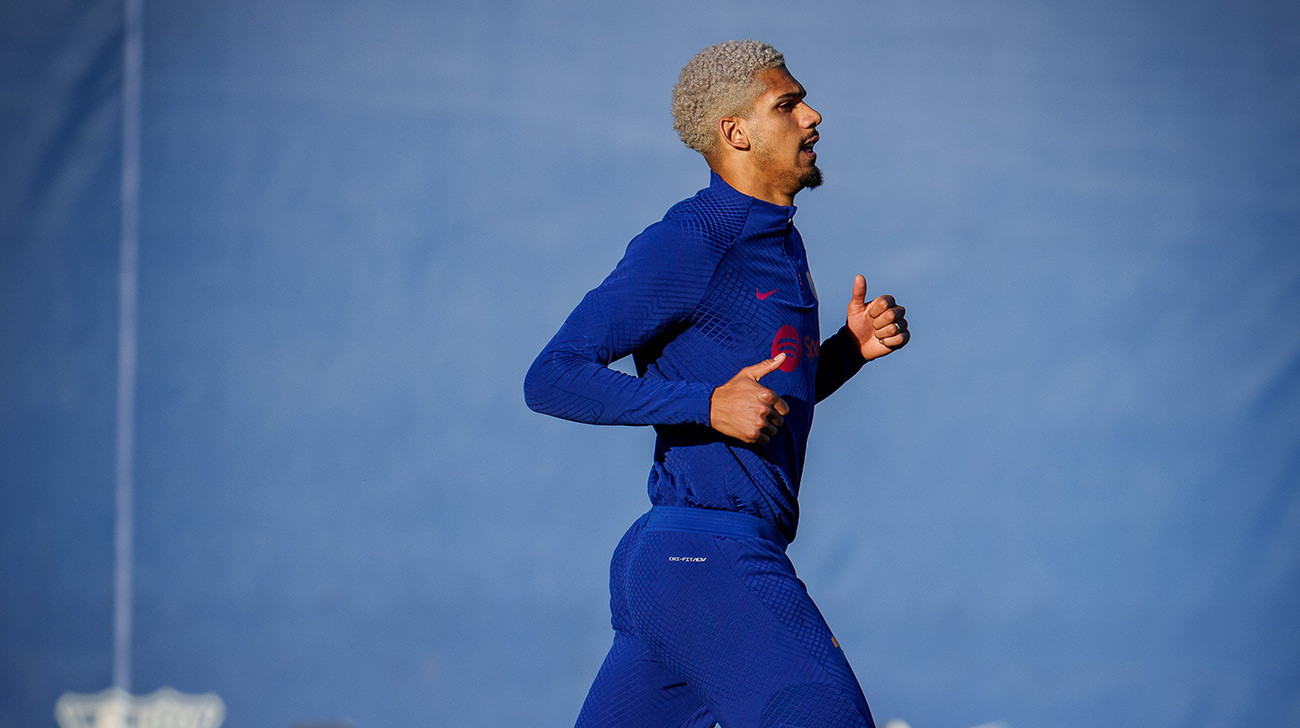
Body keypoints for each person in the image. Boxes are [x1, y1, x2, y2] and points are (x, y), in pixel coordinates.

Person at [524, 39, 909, 728]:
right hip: (710, 560)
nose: (813, 116)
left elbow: (759, 404)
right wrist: (702, 404)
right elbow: (552, 376)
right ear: (736, 132)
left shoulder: (780, 241)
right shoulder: (694, 239)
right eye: (787, 105)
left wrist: (847, 353)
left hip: (681, 567)